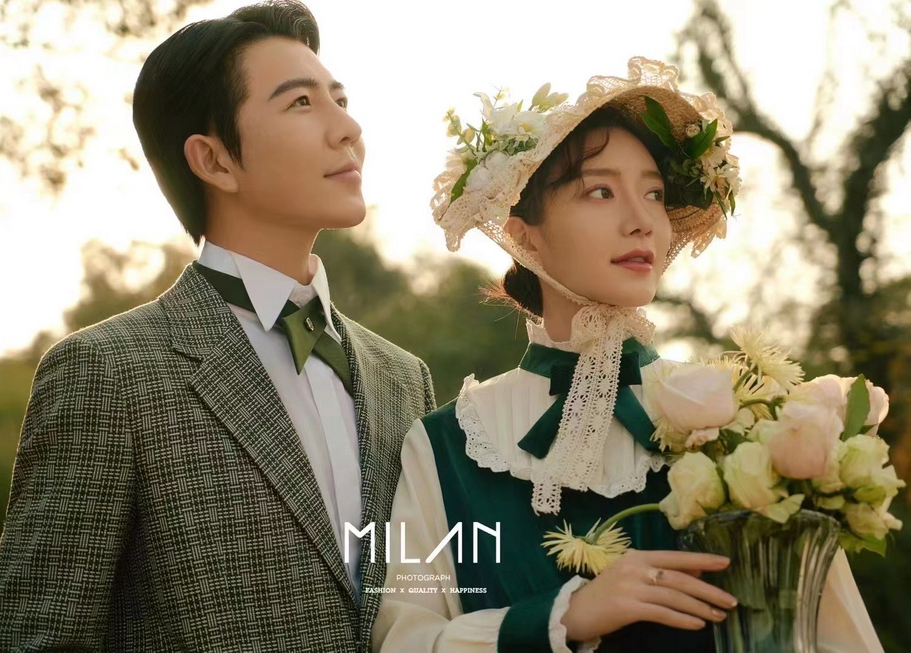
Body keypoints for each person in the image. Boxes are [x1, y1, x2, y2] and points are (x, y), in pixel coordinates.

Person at [371, 58, 883, 652]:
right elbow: (402, 639)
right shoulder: (445, 446)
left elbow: (838, 638)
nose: (642, 221)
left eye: (654, 194)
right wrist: (563, 618)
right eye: (601, 191)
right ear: (523, 233)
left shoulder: (753, 423)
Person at [0, 2, 435, 650]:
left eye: (340, 99)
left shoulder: (404, 378)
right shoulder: (108, 373)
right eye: (302, 103)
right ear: (214, 160)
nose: (348, 128)